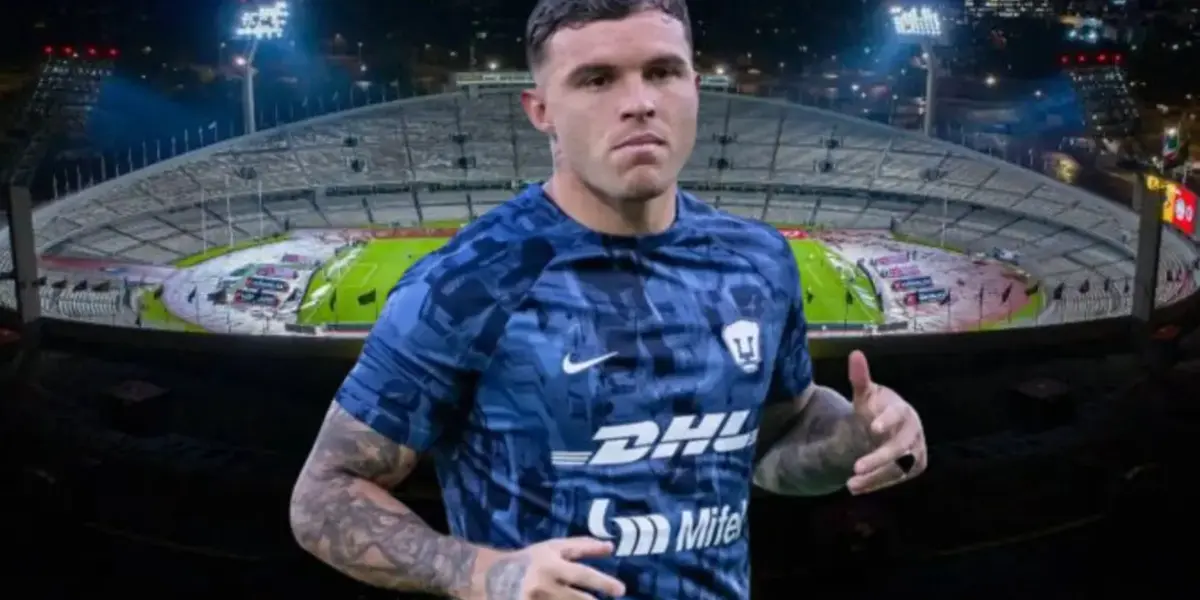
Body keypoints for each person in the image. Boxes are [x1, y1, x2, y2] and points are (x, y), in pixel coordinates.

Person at [288, 1, 927, 598]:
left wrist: (853, 439)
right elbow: (322, 496)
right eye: (596, 80)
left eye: (662, 72)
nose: (639, 103)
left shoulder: (758, 261)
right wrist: (479, 573)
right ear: (541, 110)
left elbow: (770, 448)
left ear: (695, 86)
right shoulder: (468, 282)